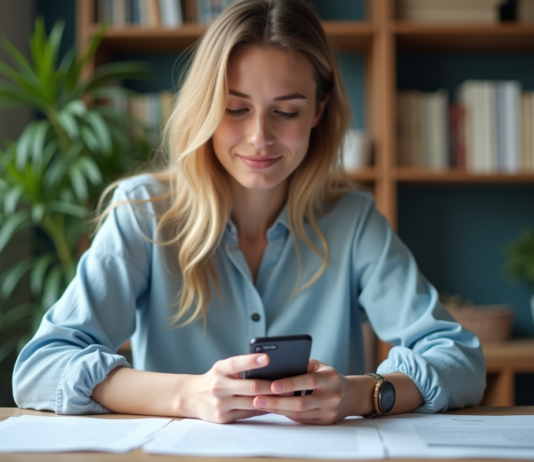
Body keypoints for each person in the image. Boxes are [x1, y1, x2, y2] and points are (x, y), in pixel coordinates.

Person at [13, 0, 485, 425]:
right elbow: (39, 369)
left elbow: (459, 359)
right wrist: (187, 395)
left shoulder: (353, 220)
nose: (260, 136)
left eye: (286, 112)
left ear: (319, 109)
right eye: (236, 109)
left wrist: (360, 394)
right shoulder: (142, 214)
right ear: (205, 108)